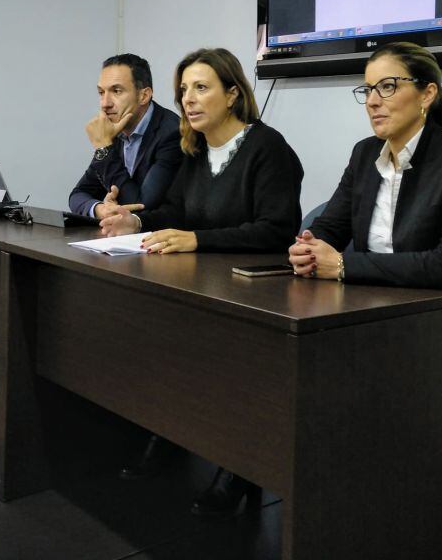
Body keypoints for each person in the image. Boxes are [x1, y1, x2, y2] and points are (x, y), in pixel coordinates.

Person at [101, 47, 302, 516]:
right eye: (184, 90)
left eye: (202, 87)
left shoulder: (267, 148)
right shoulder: (194, 151)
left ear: (233, 93)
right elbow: (175, 210)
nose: (188, 100)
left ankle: (240, 468)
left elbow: (276, 229)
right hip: (206, 285)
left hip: (259, 292)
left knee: (223, 355)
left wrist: (196, 239)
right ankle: (170, 431)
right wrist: (139, 224)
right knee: (152, 331)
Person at [287, 41, 442, 402]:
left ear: (426, 94)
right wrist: (308, 247)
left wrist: (340, 264)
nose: (372, 101)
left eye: (387, 86)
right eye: (368, 89)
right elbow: (330, 227)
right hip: (380, 318)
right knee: (304, 364)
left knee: (339, 379)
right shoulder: (365, 153)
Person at [69, 54, 182, 220]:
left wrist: (104, 148)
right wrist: (100, 209)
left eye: (116, 91)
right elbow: (78, 195)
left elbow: (142, 207)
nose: (105, 103)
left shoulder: (172, 133)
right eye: (101, 92)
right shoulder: (114, 129)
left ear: (144, 95)